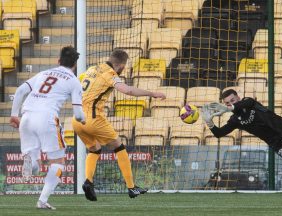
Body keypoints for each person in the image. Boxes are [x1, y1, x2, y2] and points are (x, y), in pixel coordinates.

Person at [72, 49, 166, 201]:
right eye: (124, 66)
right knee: (119, 147)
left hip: (76, 120)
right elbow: (128, 90)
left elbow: (76, 85)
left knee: (94, 149)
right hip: (93, 119)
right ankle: (131, 187)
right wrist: (152, 93)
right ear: (121, 65)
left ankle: (88, 182)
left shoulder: (92, 69)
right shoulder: (111, 75)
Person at [9, 46, 86, 210]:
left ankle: (31, 161)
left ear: (58, 61)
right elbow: (78, 115)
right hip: (47, 118)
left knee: (35, 164)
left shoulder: (44, 73)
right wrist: (84, 120)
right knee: (58, 162)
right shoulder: (74, 81)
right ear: (75, 65)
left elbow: (21, 90)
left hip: (26, 117)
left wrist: (14, 114)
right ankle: (42, 201)